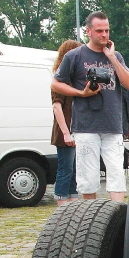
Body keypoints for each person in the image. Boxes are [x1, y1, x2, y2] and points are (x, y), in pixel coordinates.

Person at [51, 11, 129, 202]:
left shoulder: (117, 56)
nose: (104, 35)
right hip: (86, 125)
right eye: (99, 31)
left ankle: (117, 216)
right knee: (88, 179)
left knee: (116, 176)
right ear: (88, 31)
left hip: (112, 125)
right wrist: (81, 93)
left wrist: (112, 58)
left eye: (106, 30)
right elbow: (56, 84)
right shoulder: (74, 56)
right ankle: (91, 220)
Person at [51, 39, 82, 206]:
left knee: (74, 170)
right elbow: (57, 107)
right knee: (65, 169)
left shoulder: (72, 79)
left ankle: (73, 201)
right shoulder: (60, 81)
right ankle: (62, 204)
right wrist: (66, 133)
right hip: (66, 130)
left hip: (75, 130)